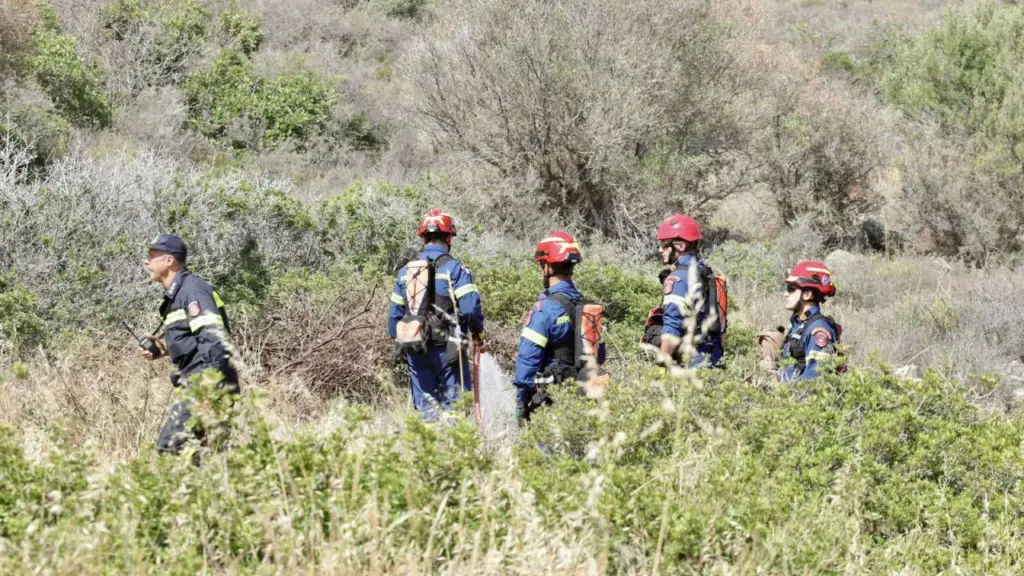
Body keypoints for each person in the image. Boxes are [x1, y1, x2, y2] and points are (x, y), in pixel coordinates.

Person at [140, 235, 239, 455]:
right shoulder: (178, 294)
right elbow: (195, 339)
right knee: (208, 458)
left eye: (151, 255)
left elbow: (215, 341)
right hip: (202, 387)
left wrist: (208, 391)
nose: (146, 261)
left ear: (169, 260)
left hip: (206, 387)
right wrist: (165, 348)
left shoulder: (193, 291)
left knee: (171, 449)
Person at [388, 210, 485, 420]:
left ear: (423, 237)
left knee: (426, 411)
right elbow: (470, 309)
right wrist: (478, 333)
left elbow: (393, 320)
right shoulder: (456, 269)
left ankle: (429, 450)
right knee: (456, 409)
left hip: (414, 346)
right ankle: (453, 450)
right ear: (449, 237)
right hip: (449, 350)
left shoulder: (405, 272)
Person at [514, 231, 607, 423]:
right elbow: (601, 355)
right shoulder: (589, 309)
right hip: (585, 397)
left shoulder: (544, 310)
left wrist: (522, 403)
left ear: (546, 267)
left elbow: (527, 362)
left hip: (551, 401)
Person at [654, 214, 724, 367]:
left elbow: (672, 326)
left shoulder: (679, 278)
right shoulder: (706, 273)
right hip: (713, 357)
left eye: (664, 244)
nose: (660, 250)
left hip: (691, 363)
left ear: (680, 246)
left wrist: (660, 365)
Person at [779, 260, 842, 381]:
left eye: (791, 288)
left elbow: (815, 378)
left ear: (807, 294)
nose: (785, 294)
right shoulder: (799, 323)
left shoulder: (818, 329)